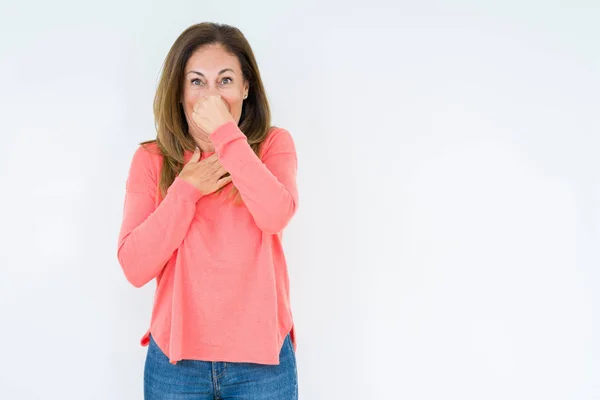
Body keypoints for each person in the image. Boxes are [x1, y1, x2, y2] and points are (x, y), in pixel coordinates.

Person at [116, 22, 299, 399]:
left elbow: (275, 215)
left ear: (246, 88)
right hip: (176, 364)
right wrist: (187, 188)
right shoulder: (151, 158)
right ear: (180, 91)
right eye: (197, 81)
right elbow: (134, 267)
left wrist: (226, 137)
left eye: (225, 80)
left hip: (263, 362)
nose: (211, 95)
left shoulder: (273, 146)